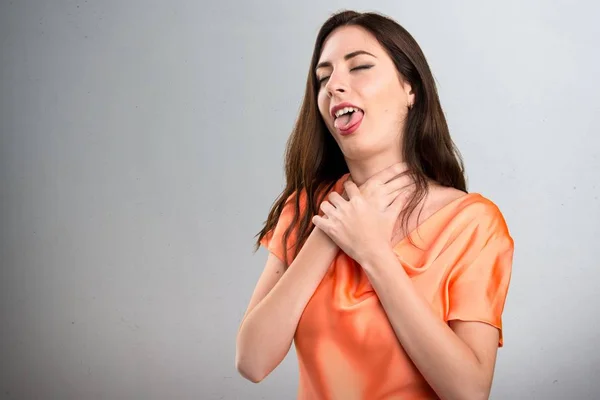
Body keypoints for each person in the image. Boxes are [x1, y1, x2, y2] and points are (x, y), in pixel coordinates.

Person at [235, 9, 514, 400]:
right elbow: (252, 360)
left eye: (360, 67)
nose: (335, 86)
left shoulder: (473, 223)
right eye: (323, 77)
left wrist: (372, 253)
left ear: (410, 89)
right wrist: (329, 234)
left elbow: (468, 391)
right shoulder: (304, 208)